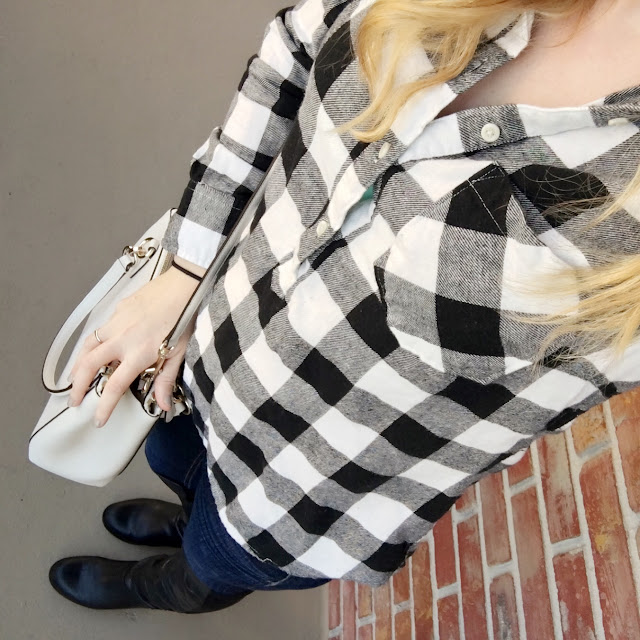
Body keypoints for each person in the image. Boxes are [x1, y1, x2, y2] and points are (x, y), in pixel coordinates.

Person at [49, 0, 640, 613]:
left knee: (206, 564)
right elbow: (296, 46)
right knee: (168, 456)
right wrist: (186, 273)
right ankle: (187, 511)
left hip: (293, 498)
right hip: (196, 357)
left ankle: (156, 586)